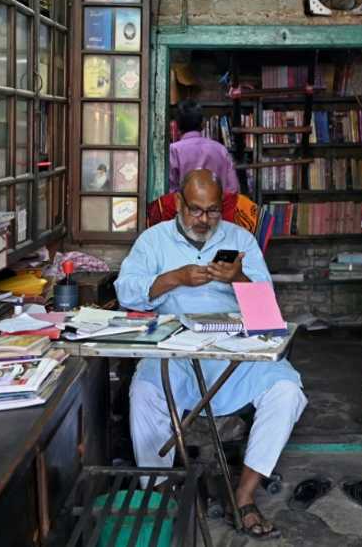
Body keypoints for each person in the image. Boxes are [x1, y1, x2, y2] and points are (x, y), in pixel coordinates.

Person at [115, 169, 305, 539]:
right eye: (196, 211)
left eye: (213, 211)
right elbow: (126, 292)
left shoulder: (240, 240)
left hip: (234, 350)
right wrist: (174, 278)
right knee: (143, 393)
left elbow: (268, 308)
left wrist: (238, 279)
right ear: (179, 203)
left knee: (287, 390)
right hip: (175, 350)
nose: (204, 220)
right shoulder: (153, 241)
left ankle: (245, 496)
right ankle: (161, 495)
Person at [169, 100, 239, 193]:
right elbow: (233, 189)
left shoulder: (174, 150)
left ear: (177, 126)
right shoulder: (221, 149)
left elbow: (170, 190)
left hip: (184, 206)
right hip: (217, 206)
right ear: (203, 123)